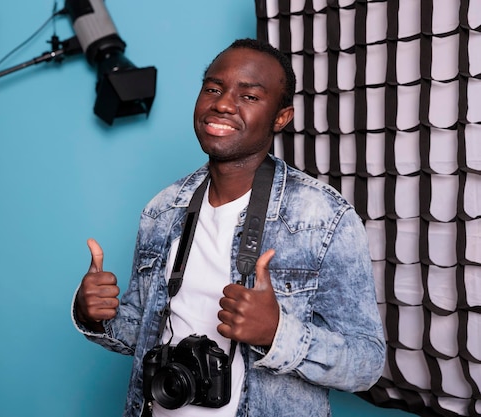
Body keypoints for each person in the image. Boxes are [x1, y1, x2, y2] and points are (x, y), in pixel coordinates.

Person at [72, 38, 385, 417]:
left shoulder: (323, 217)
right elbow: (143, 334)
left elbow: (367, 363)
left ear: (281, 117)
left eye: (249, 96)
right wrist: (94, 315)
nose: (222, 104)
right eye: (214, 89)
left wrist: (276, 334)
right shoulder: (162, 210)